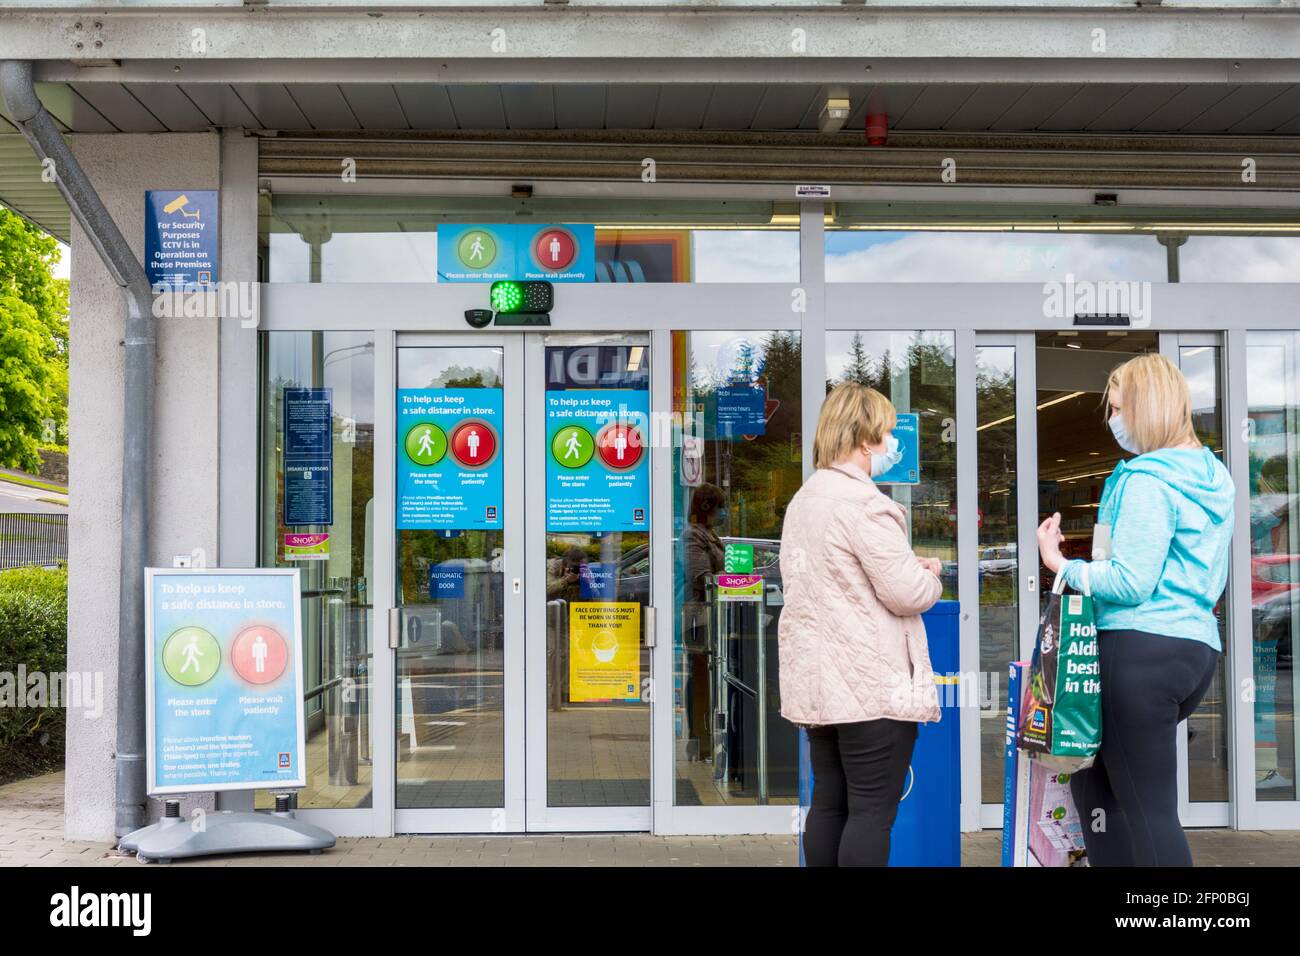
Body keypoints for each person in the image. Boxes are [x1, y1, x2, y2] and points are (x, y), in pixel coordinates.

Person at [1036, 352, 1234, 867]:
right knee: (1099, 793)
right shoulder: (1214, 478)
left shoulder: (1148, 481)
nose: (1111, 421)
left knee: (1148, 813)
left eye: (1118, 408)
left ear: (1147, 408)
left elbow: (1129, 581)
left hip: (1138, 650)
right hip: (1191, 649)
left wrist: (1060, 563)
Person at [779, 383, 943, 866]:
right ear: (866, 439)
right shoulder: (866, 504)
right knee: (872, 811)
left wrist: (907, 567)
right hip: (871, 687)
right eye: (889, 432)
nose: (894, 442)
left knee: (830, 803)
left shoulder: (805, 499)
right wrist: (929, 576)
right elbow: (906, 592)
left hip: (820, 685)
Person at [682, 482, 726, 760]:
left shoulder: (708, 533)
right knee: (699, 678)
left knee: (704, 679)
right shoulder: (693, 536)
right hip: (699, 617)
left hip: (708, 615)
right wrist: (731, 582)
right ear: (708, 507)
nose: (724, 513)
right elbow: (701, 577)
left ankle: (703, 740)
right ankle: (699, 741)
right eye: (720, 507)